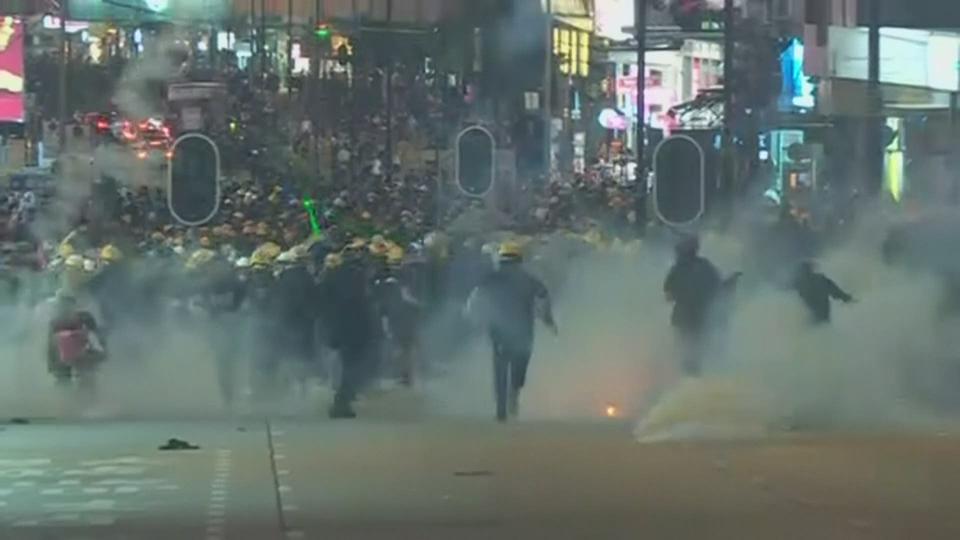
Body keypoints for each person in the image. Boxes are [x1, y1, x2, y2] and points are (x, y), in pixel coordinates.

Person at [466, 241, 557, 422]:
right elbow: (543, 299)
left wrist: (471, 316)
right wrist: (549, 321)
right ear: (520, 259)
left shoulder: (491, 277)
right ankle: (512, 398)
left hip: (498, 330)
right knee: (519, 368)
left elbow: (475, 298)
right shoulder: (529, 279)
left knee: (500, 369)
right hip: (523, 331)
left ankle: (501, 409)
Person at [663, 236, 722, 375]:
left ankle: (688, 379)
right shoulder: (705, 266)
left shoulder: (678, 269)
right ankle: (692, 379)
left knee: (686, 350)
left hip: (685, 317)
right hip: (699, 317)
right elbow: (717, 287)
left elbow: (668, 295)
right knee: (695, 351)